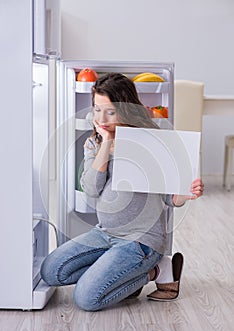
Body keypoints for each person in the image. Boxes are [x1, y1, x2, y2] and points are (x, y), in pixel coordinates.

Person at [41, 73, 204, 311]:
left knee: (86, 299)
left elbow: (168, 197)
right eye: (97, 109)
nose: (101, 118)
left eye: (110, 111)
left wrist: (184, 193)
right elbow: (91, 189)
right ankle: (122, 274)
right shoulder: (94, 143)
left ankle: (156, 270)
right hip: (105, 234)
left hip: (140, 240)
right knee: (51, 271)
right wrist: (106, 143)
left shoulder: (150, 141)